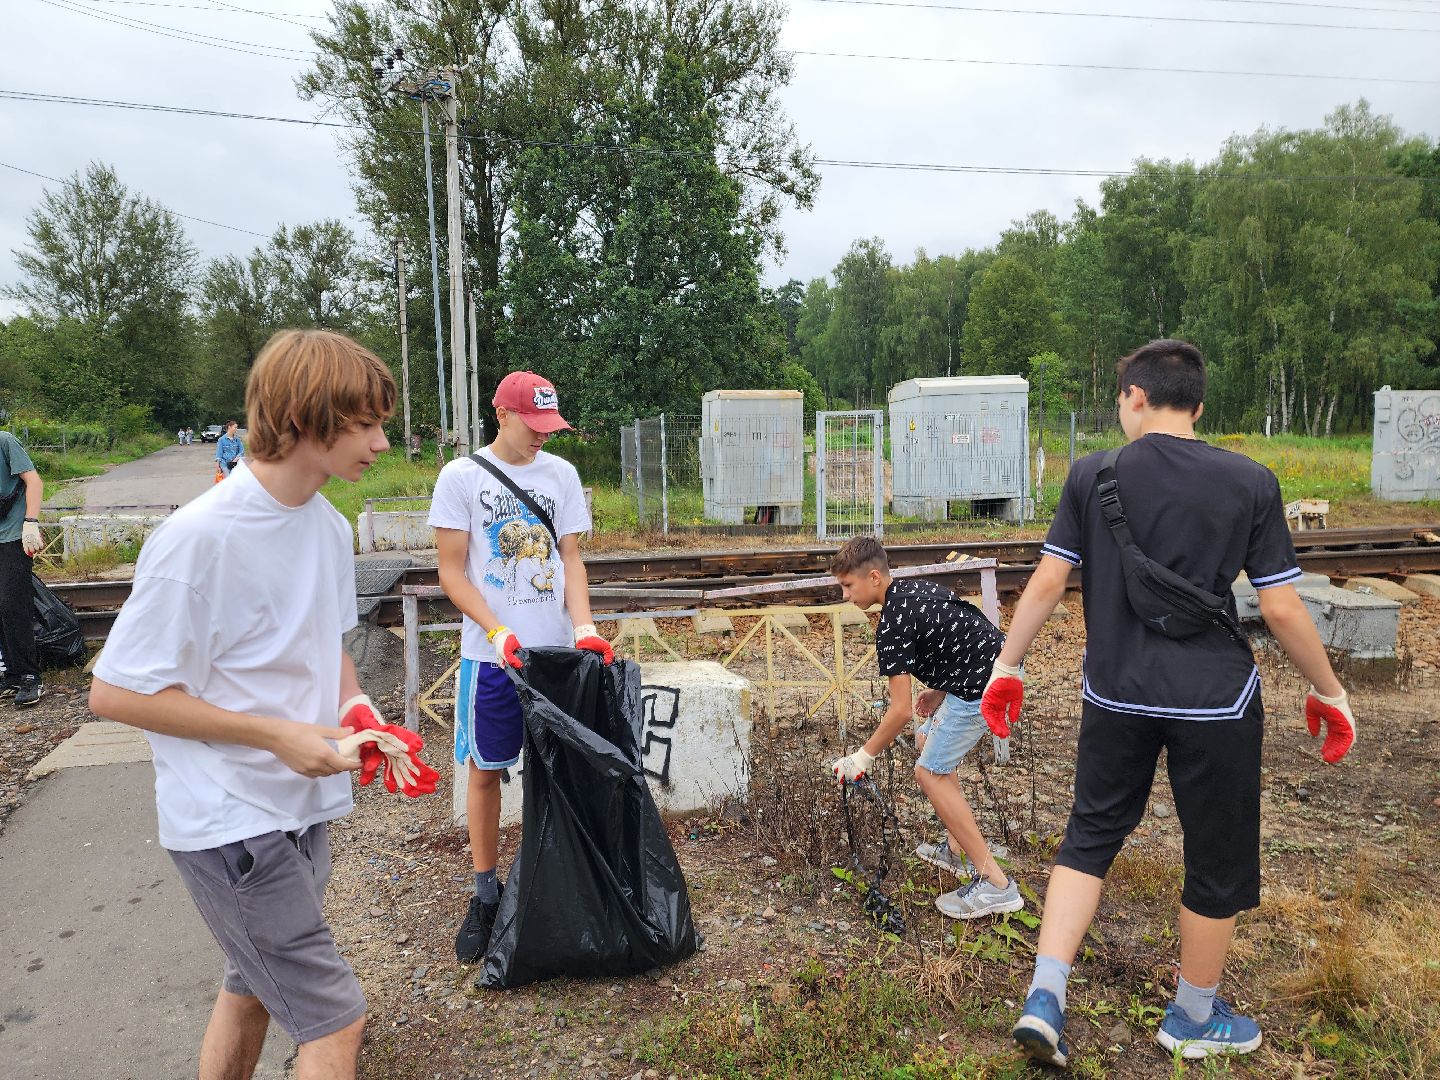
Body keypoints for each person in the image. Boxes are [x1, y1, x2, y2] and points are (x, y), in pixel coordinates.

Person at [993, 340, 1357, 1067]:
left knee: (1090, 836)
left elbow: (1043, 585)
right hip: (1216, 704)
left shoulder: (1089, 476)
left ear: (1131, 396)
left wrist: (1008, 665)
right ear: (1197, 407)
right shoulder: (1250, 481)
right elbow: (1281, 611)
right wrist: (1329, 689)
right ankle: (1192, 1015)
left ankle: (1046, 994)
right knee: (1214, 859)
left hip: (1115, 694)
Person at [89, 329, 400, 1080]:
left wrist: (356, 711)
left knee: (252, 988)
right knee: (336, 1021)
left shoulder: (326, 528)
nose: (383, 444)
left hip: (298, 807)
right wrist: (274, 736)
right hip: (231, 822)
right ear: (302, 419)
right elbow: (115, 691)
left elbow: (325, 650)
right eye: (364, 424)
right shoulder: (199, 538)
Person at [428, 371, 613, 964]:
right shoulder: (460, 478)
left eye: (549, 427)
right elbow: (452, 573)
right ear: (500, 415)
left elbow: (571, 560)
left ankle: (550, 879)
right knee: (485, 771)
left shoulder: (561, 476)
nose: (542, 438)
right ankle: (485, 891)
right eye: (533, 427)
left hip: (555, 655)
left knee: (553, 768)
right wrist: (496, 629)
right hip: (491, 657)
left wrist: (582, 627)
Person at [827, 536, 1024, 920]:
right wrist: (938, 689)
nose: (846, 596)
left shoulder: (891, 626)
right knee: (925, 739)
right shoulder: (914, 588)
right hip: (999, 668)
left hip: (983, 688)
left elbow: (899, 711)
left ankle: (996, 885)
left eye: (848, 586)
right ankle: (955, 848)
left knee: (928, 773)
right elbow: (963, 632)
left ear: (872, 577)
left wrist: (862, 756)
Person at [0, 429, 45, 707]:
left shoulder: (5, 442)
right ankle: (12, 674)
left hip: (14, 536)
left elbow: (34, 481)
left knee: (12, 604)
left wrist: (31, 521)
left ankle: (30, 676)